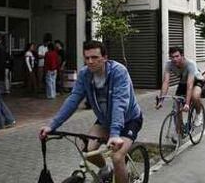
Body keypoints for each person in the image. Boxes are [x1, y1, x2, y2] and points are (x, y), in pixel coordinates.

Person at [39, 40, 143, 183]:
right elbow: (73, 100)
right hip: (105, 120)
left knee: (117, 157)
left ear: (105, 57)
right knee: (88, 150)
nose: (90, 61)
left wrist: (114, 133)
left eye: (94, 57)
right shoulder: (85, 74)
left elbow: (120, 103)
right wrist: (52, 125)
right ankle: (105, 169)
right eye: (87, 58)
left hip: (128, 119)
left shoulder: (119, 72)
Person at [156, 47, 205, 127]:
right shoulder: (169, 64)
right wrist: (161, 100)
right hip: (183, 82)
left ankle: (199, 113)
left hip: (196, 80)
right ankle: (180, 133)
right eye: (172, 57)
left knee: (195, 96)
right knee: (176, 106)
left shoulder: (190, 64)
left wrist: (187, 104)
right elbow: (166, 82)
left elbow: (190, 85)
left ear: (182, 56)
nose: (174, 59)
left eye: (177, 56)